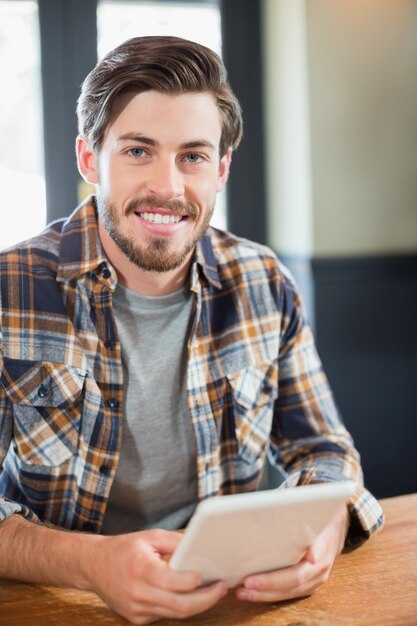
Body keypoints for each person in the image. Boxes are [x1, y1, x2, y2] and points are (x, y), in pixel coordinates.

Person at [0, 36, 383, 624]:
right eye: (137, 151)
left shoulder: (263, 281)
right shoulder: (11, 288)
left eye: (193, 156)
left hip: (230, 601)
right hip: (60, 604)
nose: (168, 188)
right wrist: (88, 563)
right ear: (88, 159)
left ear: (222, 168)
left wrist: (326, 527)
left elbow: (324, 448)